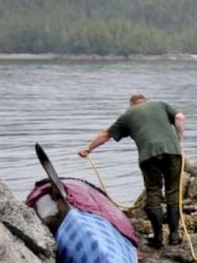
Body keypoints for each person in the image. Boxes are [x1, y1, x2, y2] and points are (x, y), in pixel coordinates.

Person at [79, 93, 185, 248]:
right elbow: (180, 117)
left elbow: (106, 134)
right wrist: (179, 140)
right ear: (145, 101)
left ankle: (158, 237)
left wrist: (88, 149)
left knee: (153, 191)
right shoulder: (161, 105)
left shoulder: (128, 115)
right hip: (173, 152)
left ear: (131, 105)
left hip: (149, 156)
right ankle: (175, 235)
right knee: (173, 190)